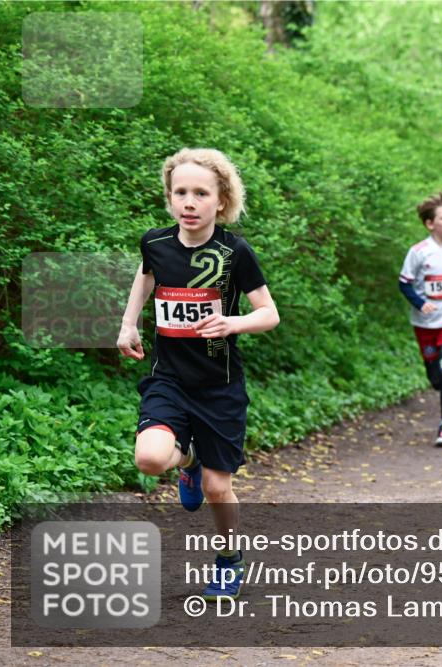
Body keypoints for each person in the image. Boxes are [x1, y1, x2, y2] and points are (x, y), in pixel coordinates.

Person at [118, 148, 280, 600]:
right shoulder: (155, 243)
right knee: (150, 459)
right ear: (170, 198)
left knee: (216, 487)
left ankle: (229, 558)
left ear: (220, 201)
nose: (189, 202)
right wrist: (129, 323)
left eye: (200, 193)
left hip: (219, 388)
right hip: (169, 377)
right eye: (180, 192)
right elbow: (145, 277)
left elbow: (269, 314)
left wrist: (233, 322)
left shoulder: (234, 252)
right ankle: (185, 461)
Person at [399, 192, 442, 447]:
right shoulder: (418, 252)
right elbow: (404, 284)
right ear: (430, 224)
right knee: (435, 376)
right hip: (424, 324)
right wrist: (420, 303)